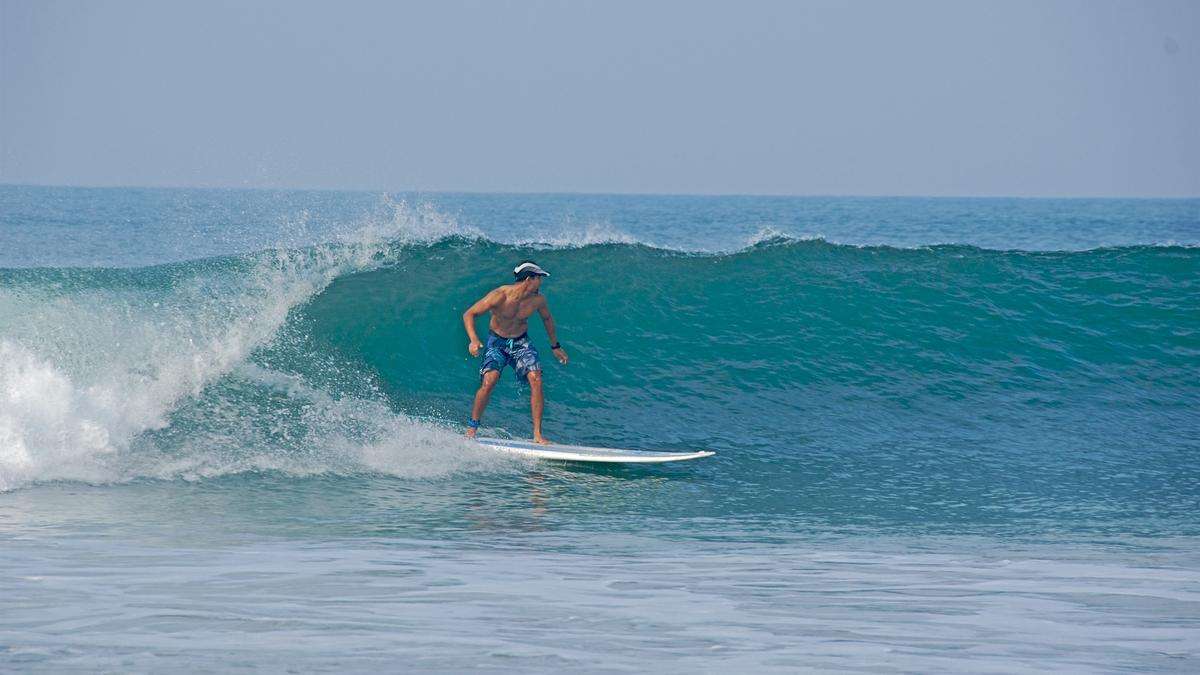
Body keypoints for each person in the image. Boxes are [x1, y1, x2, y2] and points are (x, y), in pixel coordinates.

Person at [462, 261, 569, 444]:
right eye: (539, 279)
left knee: (536, 379)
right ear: (529, 279)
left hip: (521, 343)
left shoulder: (537, 300)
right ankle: (472, 427)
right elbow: (469, 314)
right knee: (489, 381)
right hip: (497, 343)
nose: (541, 283)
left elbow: (547, 319)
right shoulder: (499, 296)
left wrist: (555, 346)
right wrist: (473, 339)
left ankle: (537, 434)